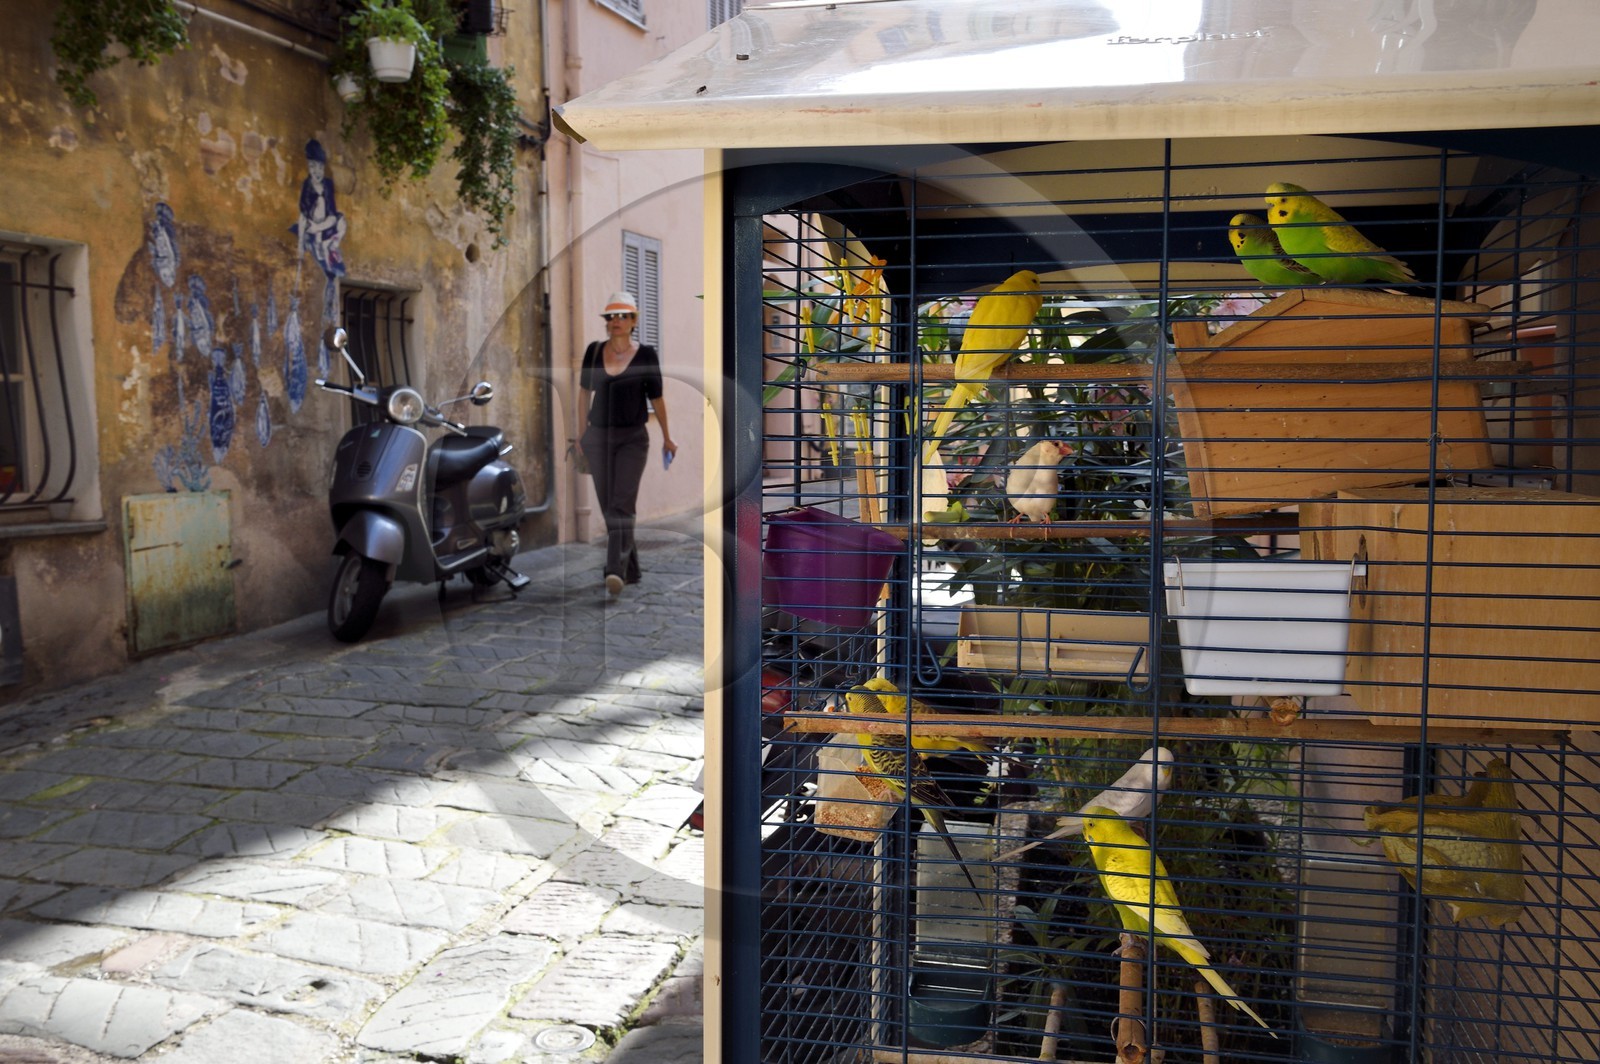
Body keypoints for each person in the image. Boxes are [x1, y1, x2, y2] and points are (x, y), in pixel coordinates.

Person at [579, 291, 678, 597]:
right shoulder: (594, 352)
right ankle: (631, 567)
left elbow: (657, 398)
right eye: (611, 317)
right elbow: (584, 393)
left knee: (621, 504)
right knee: (611, 505)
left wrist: (667, 436)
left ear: (634, 320)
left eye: (622, 316)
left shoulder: (646, 355)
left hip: (633, 438)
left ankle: (613, 569)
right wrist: (580, 433)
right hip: (597, 437)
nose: (616, 322)